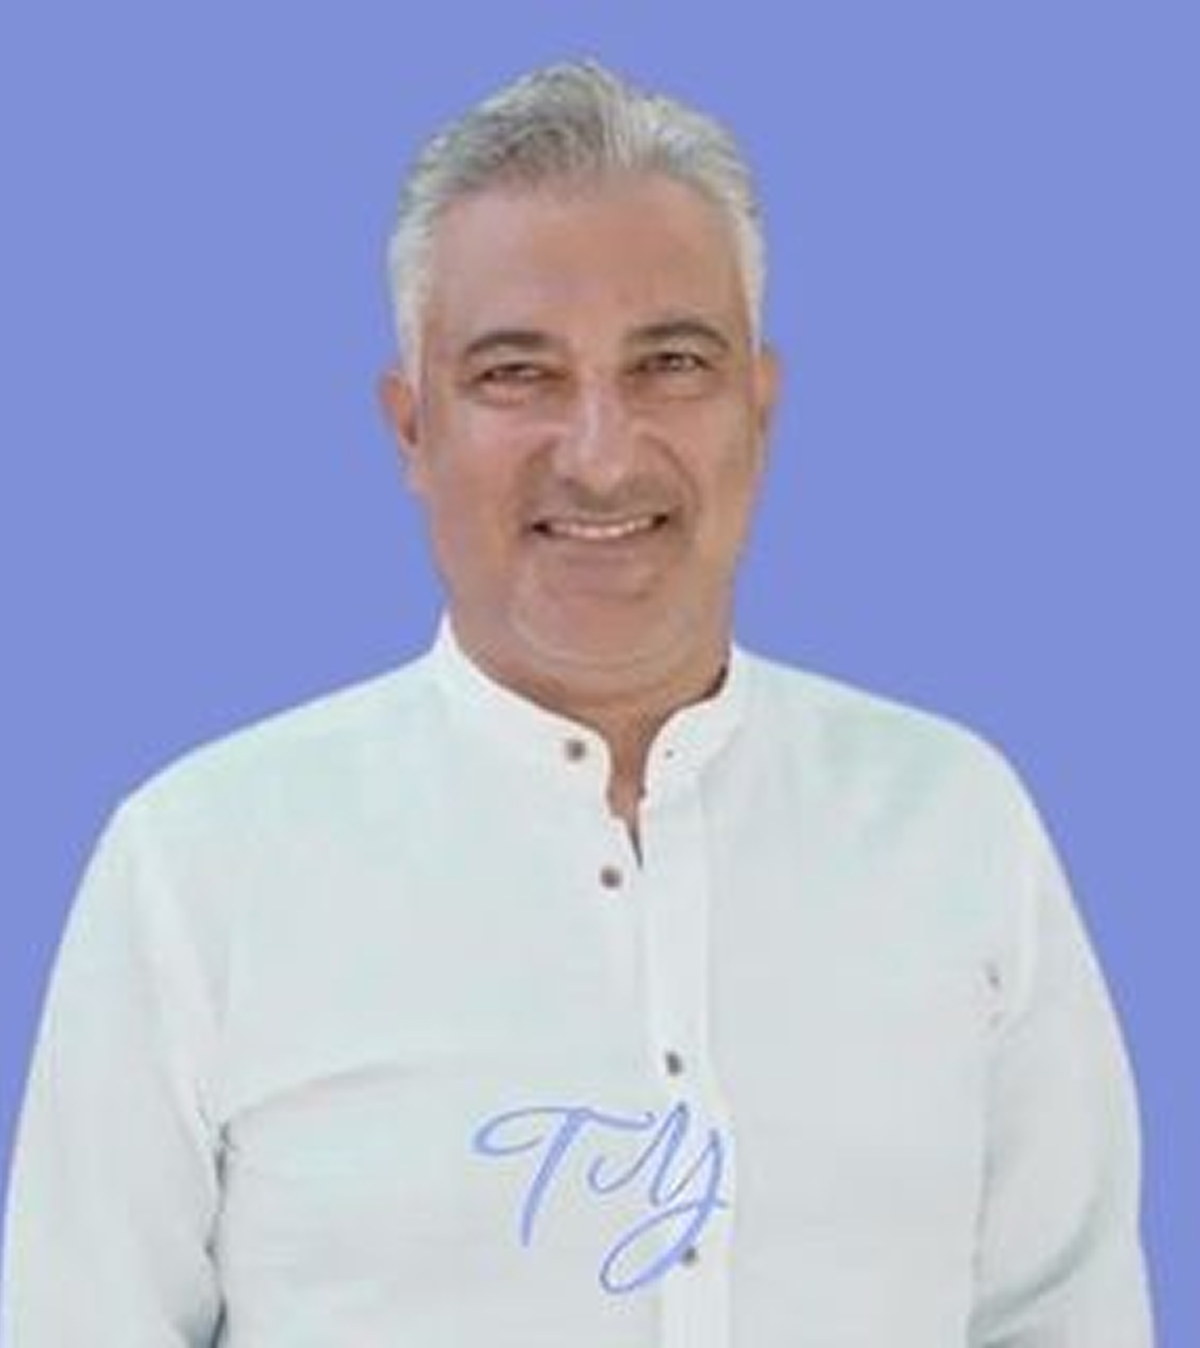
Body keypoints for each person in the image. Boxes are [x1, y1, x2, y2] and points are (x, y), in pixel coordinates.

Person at [1, 60, 1154, 1347]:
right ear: (410, 427)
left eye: (671, 362)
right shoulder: (200, 866)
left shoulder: (954, 825)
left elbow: (1071, 1316)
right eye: (517, 373)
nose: (601, 454)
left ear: (760, 409)